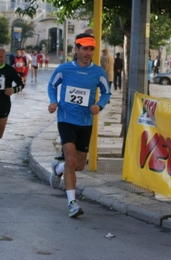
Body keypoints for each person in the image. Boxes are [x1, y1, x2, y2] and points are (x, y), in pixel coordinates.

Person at [48, 33, 111, 218]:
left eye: (91, 49)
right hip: (66, 119)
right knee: (70, 159)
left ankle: (57, 169)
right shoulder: (64, 69)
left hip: (85, 122)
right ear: (76, 49)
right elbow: (52, 85)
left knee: (79, 165)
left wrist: (99, 105)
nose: (88, 52)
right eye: (84, 48)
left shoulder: (98, 72)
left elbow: (107, 92)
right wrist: (53, 101)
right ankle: (72, 203)